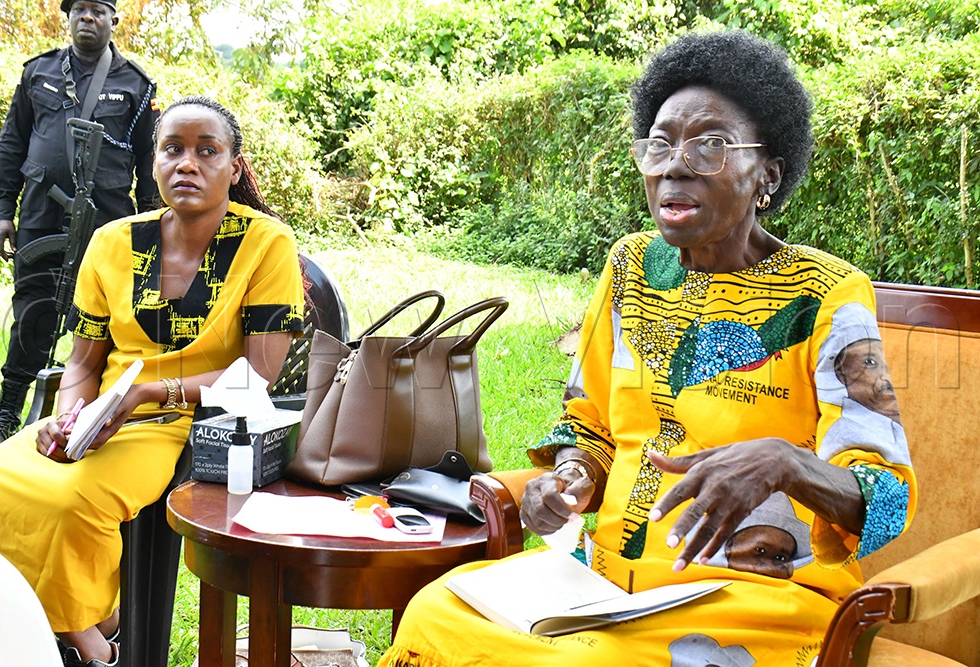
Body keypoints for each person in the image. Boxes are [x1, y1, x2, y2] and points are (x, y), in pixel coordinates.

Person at [379, 31, 917, 666]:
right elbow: (592, 425)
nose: (675, 165)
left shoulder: (827, 296)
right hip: (603, 585)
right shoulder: (631, 266)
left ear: (767, 174)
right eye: (659, 145)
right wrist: (569, 480)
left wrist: (784, 462)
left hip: (756, 596)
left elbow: (887, 498)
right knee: (435, 614)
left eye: (710, 145)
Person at [0, 95, 304, 667]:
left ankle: (92, 643)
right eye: (172, 149)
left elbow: (258, 374)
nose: (188, 164)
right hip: (104, 413)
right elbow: (81, 364)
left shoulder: (266, 245)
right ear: (151, 162)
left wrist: (151, 393)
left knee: (71, 503)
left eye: (208, 151)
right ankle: (71, 626)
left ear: (234, 165)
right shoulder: (113, 242)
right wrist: (69, 417)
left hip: (193, 421)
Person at [0, 0, 159, 450]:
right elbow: (13, 143)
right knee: (31, 317)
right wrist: (5, 210)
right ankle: (5, 417)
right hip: (41, 219)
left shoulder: (136, 86)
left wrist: (154, 227)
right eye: (79, 9)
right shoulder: (37, 73)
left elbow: (149, 159)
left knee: (106, 323)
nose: (87, 18)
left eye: (98, 10)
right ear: (68, 17)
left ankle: (89, 416)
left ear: (113, 20)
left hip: (109, 226)